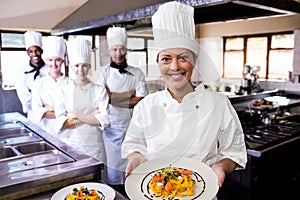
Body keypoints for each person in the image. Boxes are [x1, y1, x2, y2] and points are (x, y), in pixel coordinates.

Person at [121, 2, 247, 199]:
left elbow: (234, 153)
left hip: (203, 194)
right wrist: (135, 157)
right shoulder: (146, 106)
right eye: (166, 59)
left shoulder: (219, 104)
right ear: (157, 62)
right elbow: (134, 145)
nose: (174, 66)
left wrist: (221, 167)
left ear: (194, 60)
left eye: (183, 57)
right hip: (154, 194)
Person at [96, 27, 148, 193]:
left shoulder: (137, 72)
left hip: (133, 128)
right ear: (109, 51)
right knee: (114, 172)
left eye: (121, 49)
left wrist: (114, 97)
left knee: (134, 170)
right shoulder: (102, 73)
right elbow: (104, 99)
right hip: (111, 130)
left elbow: (140, 101)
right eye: (114, 49)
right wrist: (129, 95)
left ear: (127, 50)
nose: (118, 53)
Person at [54, 38, 109, 164]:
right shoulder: (63, 90)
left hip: (94, 146)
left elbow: (104, 120)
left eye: (85, 65)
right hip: (71, 145)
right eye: (77, 66)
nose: (81, 70)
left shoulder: (99, 90)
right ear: (71, 67)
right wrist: (92, 116)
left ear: (89, 67)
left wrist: (75, 115)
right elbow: (62, 123)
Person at [31, 36, 71, 135]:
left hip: (69, 133)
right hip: (47, 132)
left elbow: (75, 111)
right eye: (50, 60)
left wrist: (48, 109)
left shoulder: (71, 84)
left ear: (62, 61)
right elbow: (36, 111)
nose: (54, 64)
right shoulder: (39, 83)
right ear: (46, 60)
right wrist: (64, 112)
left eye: (57, 60)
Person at [15, 30, 48, 123]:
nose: (34, 54)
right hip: (33, 116)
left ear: (41, 51)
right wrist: (42, 107)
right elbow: (24, 98)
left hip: (51, 116)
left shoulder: (50, 69)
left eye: (37, 50)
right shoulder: (22, 72)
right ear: (27, 53)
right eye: (31, 51)